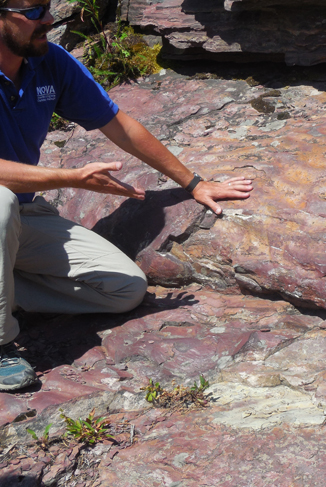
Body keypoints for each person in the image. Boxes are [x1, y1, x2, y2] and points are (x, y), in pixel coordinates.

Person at [0, 0, 254, 391]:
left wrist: (193, 183)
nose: (49, 19)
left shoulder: (49, 61)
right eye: (34, 12)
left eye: (48, 7)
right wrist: (69, 178)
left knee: (125, 289)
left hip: (24, 210)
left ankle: (5, 291)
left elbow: (118, 124)